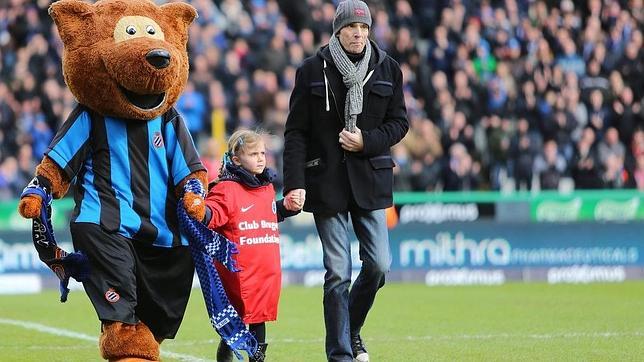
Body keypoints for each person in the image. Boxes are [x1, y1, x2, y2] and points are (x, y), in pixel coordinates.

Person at [282, 1, 409, 361]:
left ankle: (350, 330)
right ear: (337, 30)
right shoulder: (310, 70)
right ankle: (340, 353)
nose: (358, 33)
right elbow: (295, 133)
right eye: (352, 27)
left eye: (364, 27)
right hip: (327, 182)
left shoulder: (388, 68)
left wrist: (366, 142)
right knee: (338, 272)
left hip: (371, 180)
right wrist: (294, 182)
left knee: (379, 265)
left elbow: (400, 123)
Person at [199, 129, 302, 362]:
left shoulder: (265, 187)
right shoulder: (225, 188)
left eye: (263, 153)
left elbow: (263, 214)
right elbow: (212, 216)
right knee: (236, 322)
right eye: (253, 153)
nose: (260, 158)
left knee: (258, 316)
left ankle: (256, 358)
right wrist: (198, 208)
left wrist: (284, 207)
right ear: (236, 159)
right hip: (238, 271)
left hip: (265, 269)